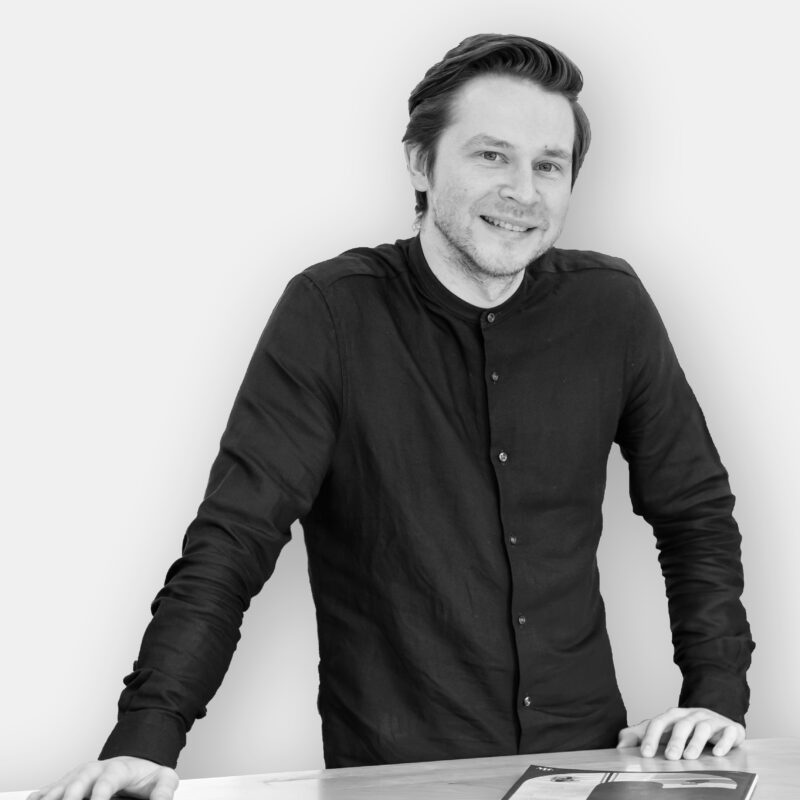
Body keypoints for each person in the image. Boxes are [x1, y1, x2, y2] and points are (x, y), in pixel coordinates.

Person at [29, 32, 754, 800]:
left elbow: (694, 510)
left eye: (549, 165)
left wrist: (715, 693)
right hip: (399, 778)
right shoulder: (331, 315)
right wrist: (147, 737)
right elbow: (233, 540)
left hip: (584, 766)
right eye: (491, 155)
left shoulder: (611, 308)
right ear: (419, 162)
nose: (523, 191)